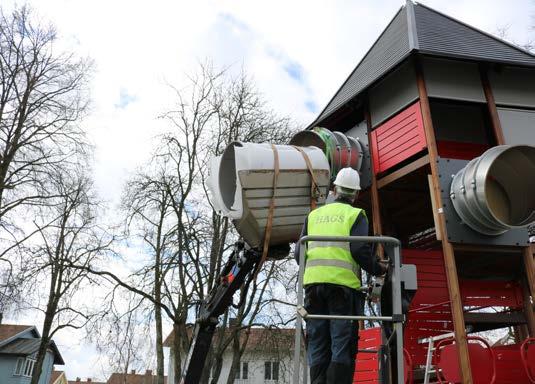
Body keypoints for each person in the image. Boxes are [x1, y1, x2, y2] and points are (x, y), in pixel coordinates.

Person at [294, 167, 387, 384]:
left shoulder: (313, 215)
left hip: (313, 289)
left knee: (318, 340)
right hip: (342, 290)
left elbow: (300, 254)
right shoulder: (355, 215)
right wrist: (379, 269)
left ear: (335, 189)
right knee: (341, 342)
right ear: (355, 194)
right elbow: (359, 251)